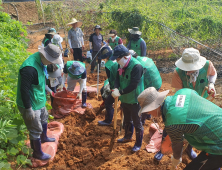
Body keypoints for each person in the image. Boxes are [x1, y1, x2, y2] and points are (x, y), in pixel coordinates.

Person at [138, 87, 222, 170]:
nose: (148, 113)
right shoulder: (183, 92)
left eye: (148, 110)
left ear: (154, 106)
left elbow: (177, 146)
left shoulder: (172, 122)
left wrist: (176, 159)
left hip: (218, 145)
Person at [16, 44, 62, 160]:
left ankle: (44, 137)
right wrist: (28, 108)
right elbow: (24, 90)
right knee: (35, 128)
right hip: (30, 103)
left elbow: (42, 82)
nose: (52, 63)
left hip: (39, 100)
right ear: (46, 57)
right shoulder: (29, 68)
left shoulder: (42, 63)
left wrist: (49, 91)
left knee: (44, 119)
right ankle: (37, 153)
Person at [110, 45, 144, 152]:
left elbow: (134, 84)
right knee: (127, 119)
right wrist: (115, 88)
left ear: (125, 56)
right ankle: (128, 136)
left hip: (135, 100)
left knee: (137, 122)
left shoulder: (136, 66)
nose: (116, 60)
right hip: (125, 98)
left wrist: (120, 92)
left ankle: (138, 144)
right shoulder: (121, 65)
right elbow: (117, 78)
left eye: (117, 58)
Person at [129, 50, 162, 125]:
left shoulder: (138, 66)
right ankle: (148, 115)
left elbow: (138, 82)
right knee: (151, 101)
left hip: (152, 85)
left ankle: (142, 120)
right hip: (158, 81)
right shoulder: (143, 58)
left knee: (145, 102)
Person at [97, 46, 118, 125]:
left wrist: (112, 90)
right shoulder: (116, 59)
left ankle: (108, 120)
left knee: (108, 102)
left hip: (116, 85)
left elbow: (111, 79)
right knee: (102, 89)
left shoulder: (108, 65)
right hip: (119, 81)